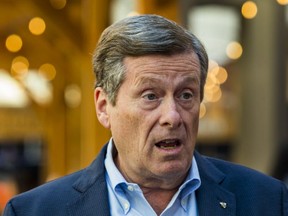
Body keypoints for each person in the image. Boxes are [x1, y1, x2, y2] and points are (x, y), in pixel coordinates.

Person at [3, 14, 288, 216]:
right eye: (151, 96)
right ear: (104, 107)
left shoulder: (267, 201)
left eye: (186, 95)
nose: (173, 116)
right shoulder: (35, 211)